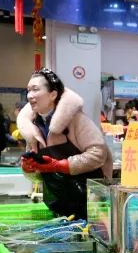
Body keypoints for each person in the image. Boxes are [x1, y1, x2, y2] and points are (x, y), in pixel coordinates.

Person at [17, 68, 113, 218]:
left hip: (91, 203)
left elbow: (99, 153)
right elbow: (39, 176)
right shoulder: (32, 127)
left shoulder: (76, 119)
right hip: (58, 204)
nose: (30, 95)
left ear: (53, 94)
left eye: (35, 89)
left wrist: (61, 165)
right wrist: (29, 169)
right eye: (28, 90)